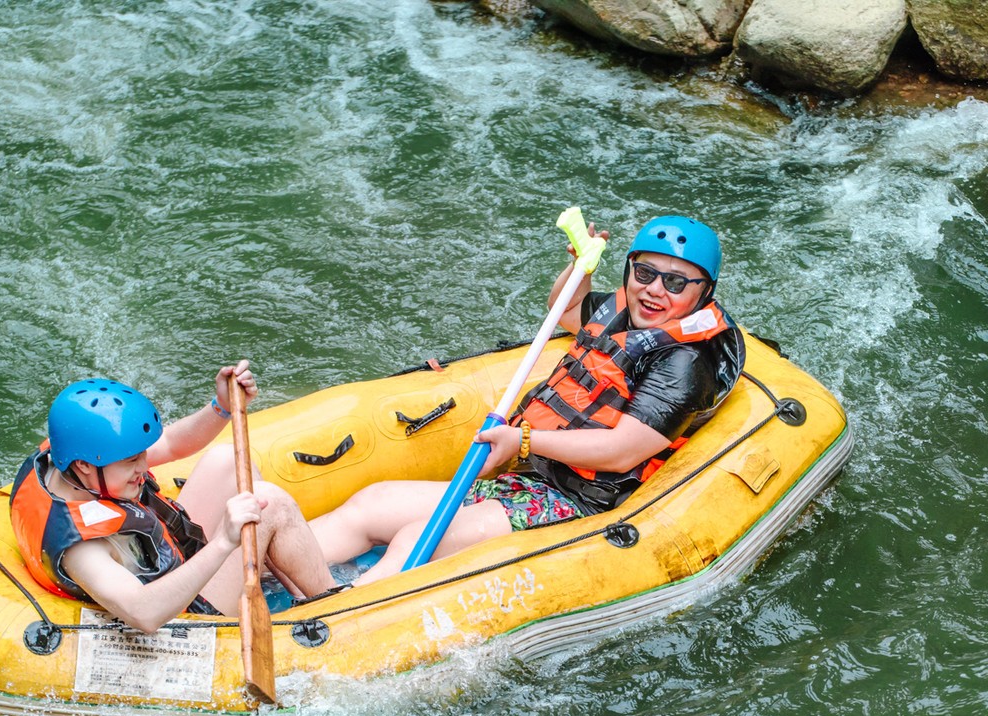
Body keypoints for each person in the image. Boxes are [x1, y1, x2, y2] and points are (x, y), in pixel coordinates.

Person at [312, 215, 746, 583]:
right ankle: (276, 569)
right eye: (645, 273)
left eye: (675, 282)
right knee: (373, 504)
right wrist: (581, 268)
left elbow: (619, 452)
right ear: (630, 270)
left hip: (577, 503)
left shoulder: (685, 364)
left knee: (414, 538)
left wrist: (521, 441)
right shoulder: (625, 313)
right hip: (528, 479)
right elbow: (566, 309)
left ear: (704, 292)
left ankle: (332, 613)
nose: (654, 290)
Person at [10, 362, 333, 632]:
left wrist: (221, 406)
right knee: (269, 503)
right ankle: (340, 609)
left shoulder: (69, 458)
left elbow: (174, 444)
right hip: (185, 611)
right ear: (83, 465)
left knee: (225, 459)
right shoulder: (82, 548)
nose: (144, 465)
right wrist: (224, 541)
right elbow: (144, 614)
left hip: (173, 561)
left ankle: (287, 574)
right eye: (130, 461)